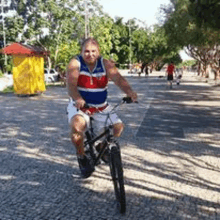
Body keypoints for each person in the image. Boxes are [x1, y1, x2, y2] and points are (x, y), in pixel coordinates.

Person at [66, 37, 138, 178]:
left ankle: (102, 147)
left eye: (93, 51)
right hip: (81, 106)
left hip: (101, 106)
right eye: (86, 51)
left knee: (118, 127)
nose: (90, 54)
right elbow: (71, 86)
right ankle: (82, 157)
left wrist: (129, 92)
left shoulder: (105, 63)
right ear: (81, 51)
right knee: (77, 128)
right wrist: (79, 99)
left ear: (98, 51)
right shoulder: (75, 63)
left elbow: (119, 79)